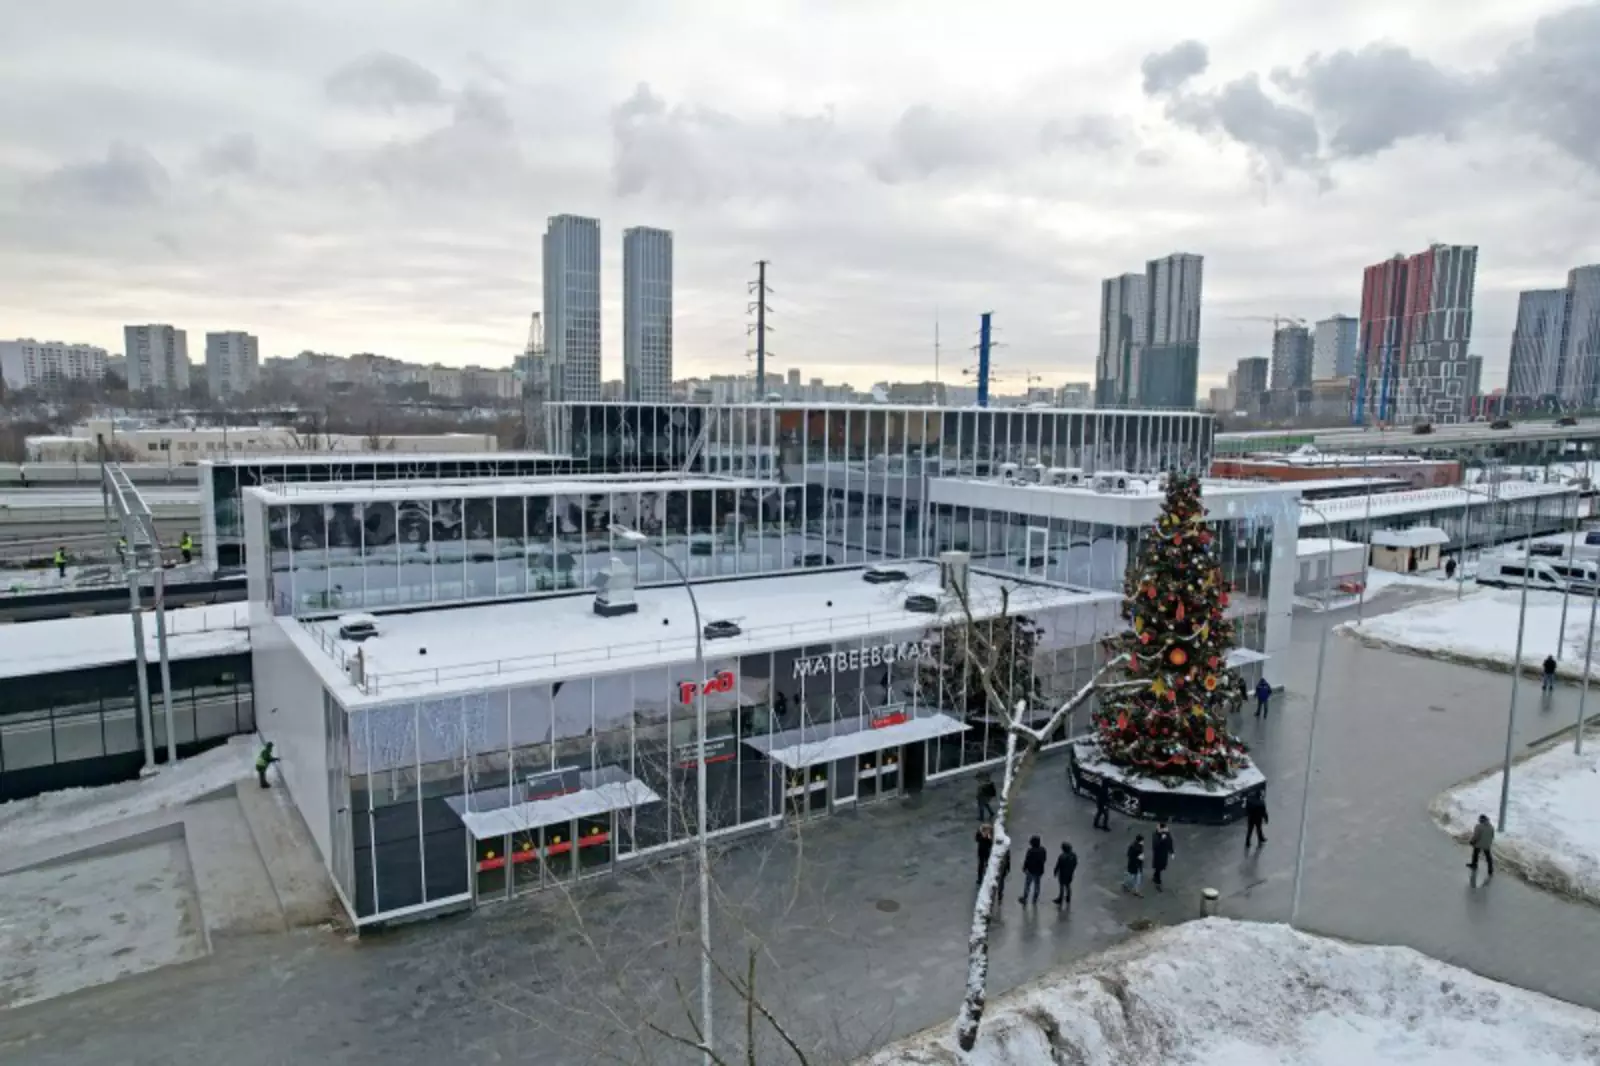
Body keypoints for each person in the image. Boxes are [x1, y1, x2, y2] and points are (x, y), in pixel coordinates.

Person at [1020, 835, 1047, 905]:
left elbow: (1027, 860)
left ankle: (1025, 897)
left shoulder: (1030, 851)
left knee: (1027, 884)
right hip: (1039, 870)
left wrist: (1024, 868)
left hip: (1030, 870)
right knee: (1037, 884)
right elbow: (1044, 859)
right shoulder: (1043, 850)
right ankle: (1035, 898)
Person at [1151, 822, 1175, 891]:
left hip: (1164, 854)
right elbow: (1155, 845)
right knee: (1158, 868)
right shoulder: (1155, 834)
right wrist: (1161, 839)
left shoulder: (1166, 834)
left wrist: (1172, 852)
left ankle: (1155, 877)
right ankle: (1157, 882)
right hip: (1158, 854)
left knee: (1160, 868)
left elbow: (1169, 842)